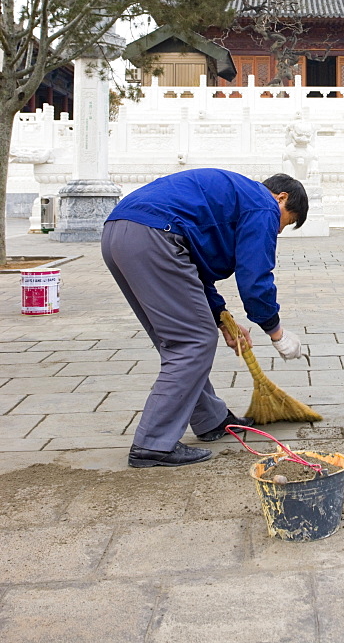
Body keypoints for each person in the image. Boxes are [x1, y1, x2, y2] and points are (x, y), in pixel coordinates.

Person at [101, 169, 308, 469]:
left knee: (179, 341)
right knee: (192, 342)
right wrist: (276, 332)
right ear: (282, 197)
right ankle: (152, 445)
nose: (277, 231)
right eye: (285, 222)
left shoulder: (234, 197)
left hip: (120, 232)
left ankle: (211, 419)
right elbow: (255, 279)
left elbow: (195, 268)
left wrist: (222, 318)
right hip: (154, 234)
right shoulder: (263, 203)